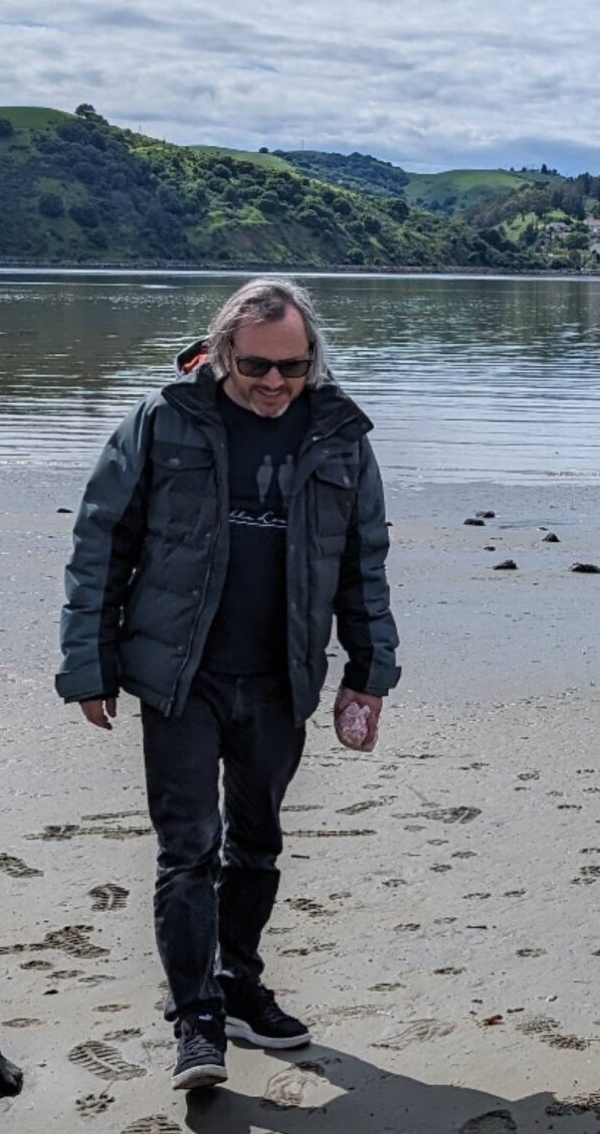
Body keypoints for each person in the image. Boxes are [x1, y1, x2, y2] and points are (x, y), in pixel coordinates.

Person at [55, 278, 399, 1092]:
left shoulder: (342, 437)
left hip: (281, 679)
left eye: (292, 367)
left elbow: (363, 565)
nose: (275, 383)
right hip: (181, 677)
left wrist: (368, 674)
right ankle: (196, 1018)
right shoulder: (164, 419)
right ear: (219, 354)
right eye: (256, 367)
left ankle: (239, 984)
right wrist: (89, 664)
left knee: (259, 842)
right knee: (188, 848)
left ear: (313, 360)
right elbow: (102, 541)